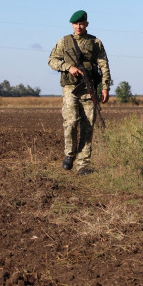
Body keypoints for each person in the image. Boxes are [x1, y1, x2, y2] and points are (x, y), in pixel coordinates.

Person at [48, 10, 111, 175]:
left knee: (87, 126)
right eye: (76, 24)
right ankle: (69, 154)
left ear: (87, 24)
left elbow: (104, 65)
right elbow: (51, 60)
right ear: (72, 25)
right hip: (71, 89)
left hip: (88, 88)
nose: (78, 26)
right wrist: (68, 67)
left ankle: (83, 165)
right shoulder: (64, 41)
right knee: (70, 122)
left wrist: (105, 87)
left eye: (81, 23)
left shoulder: (95, 42)